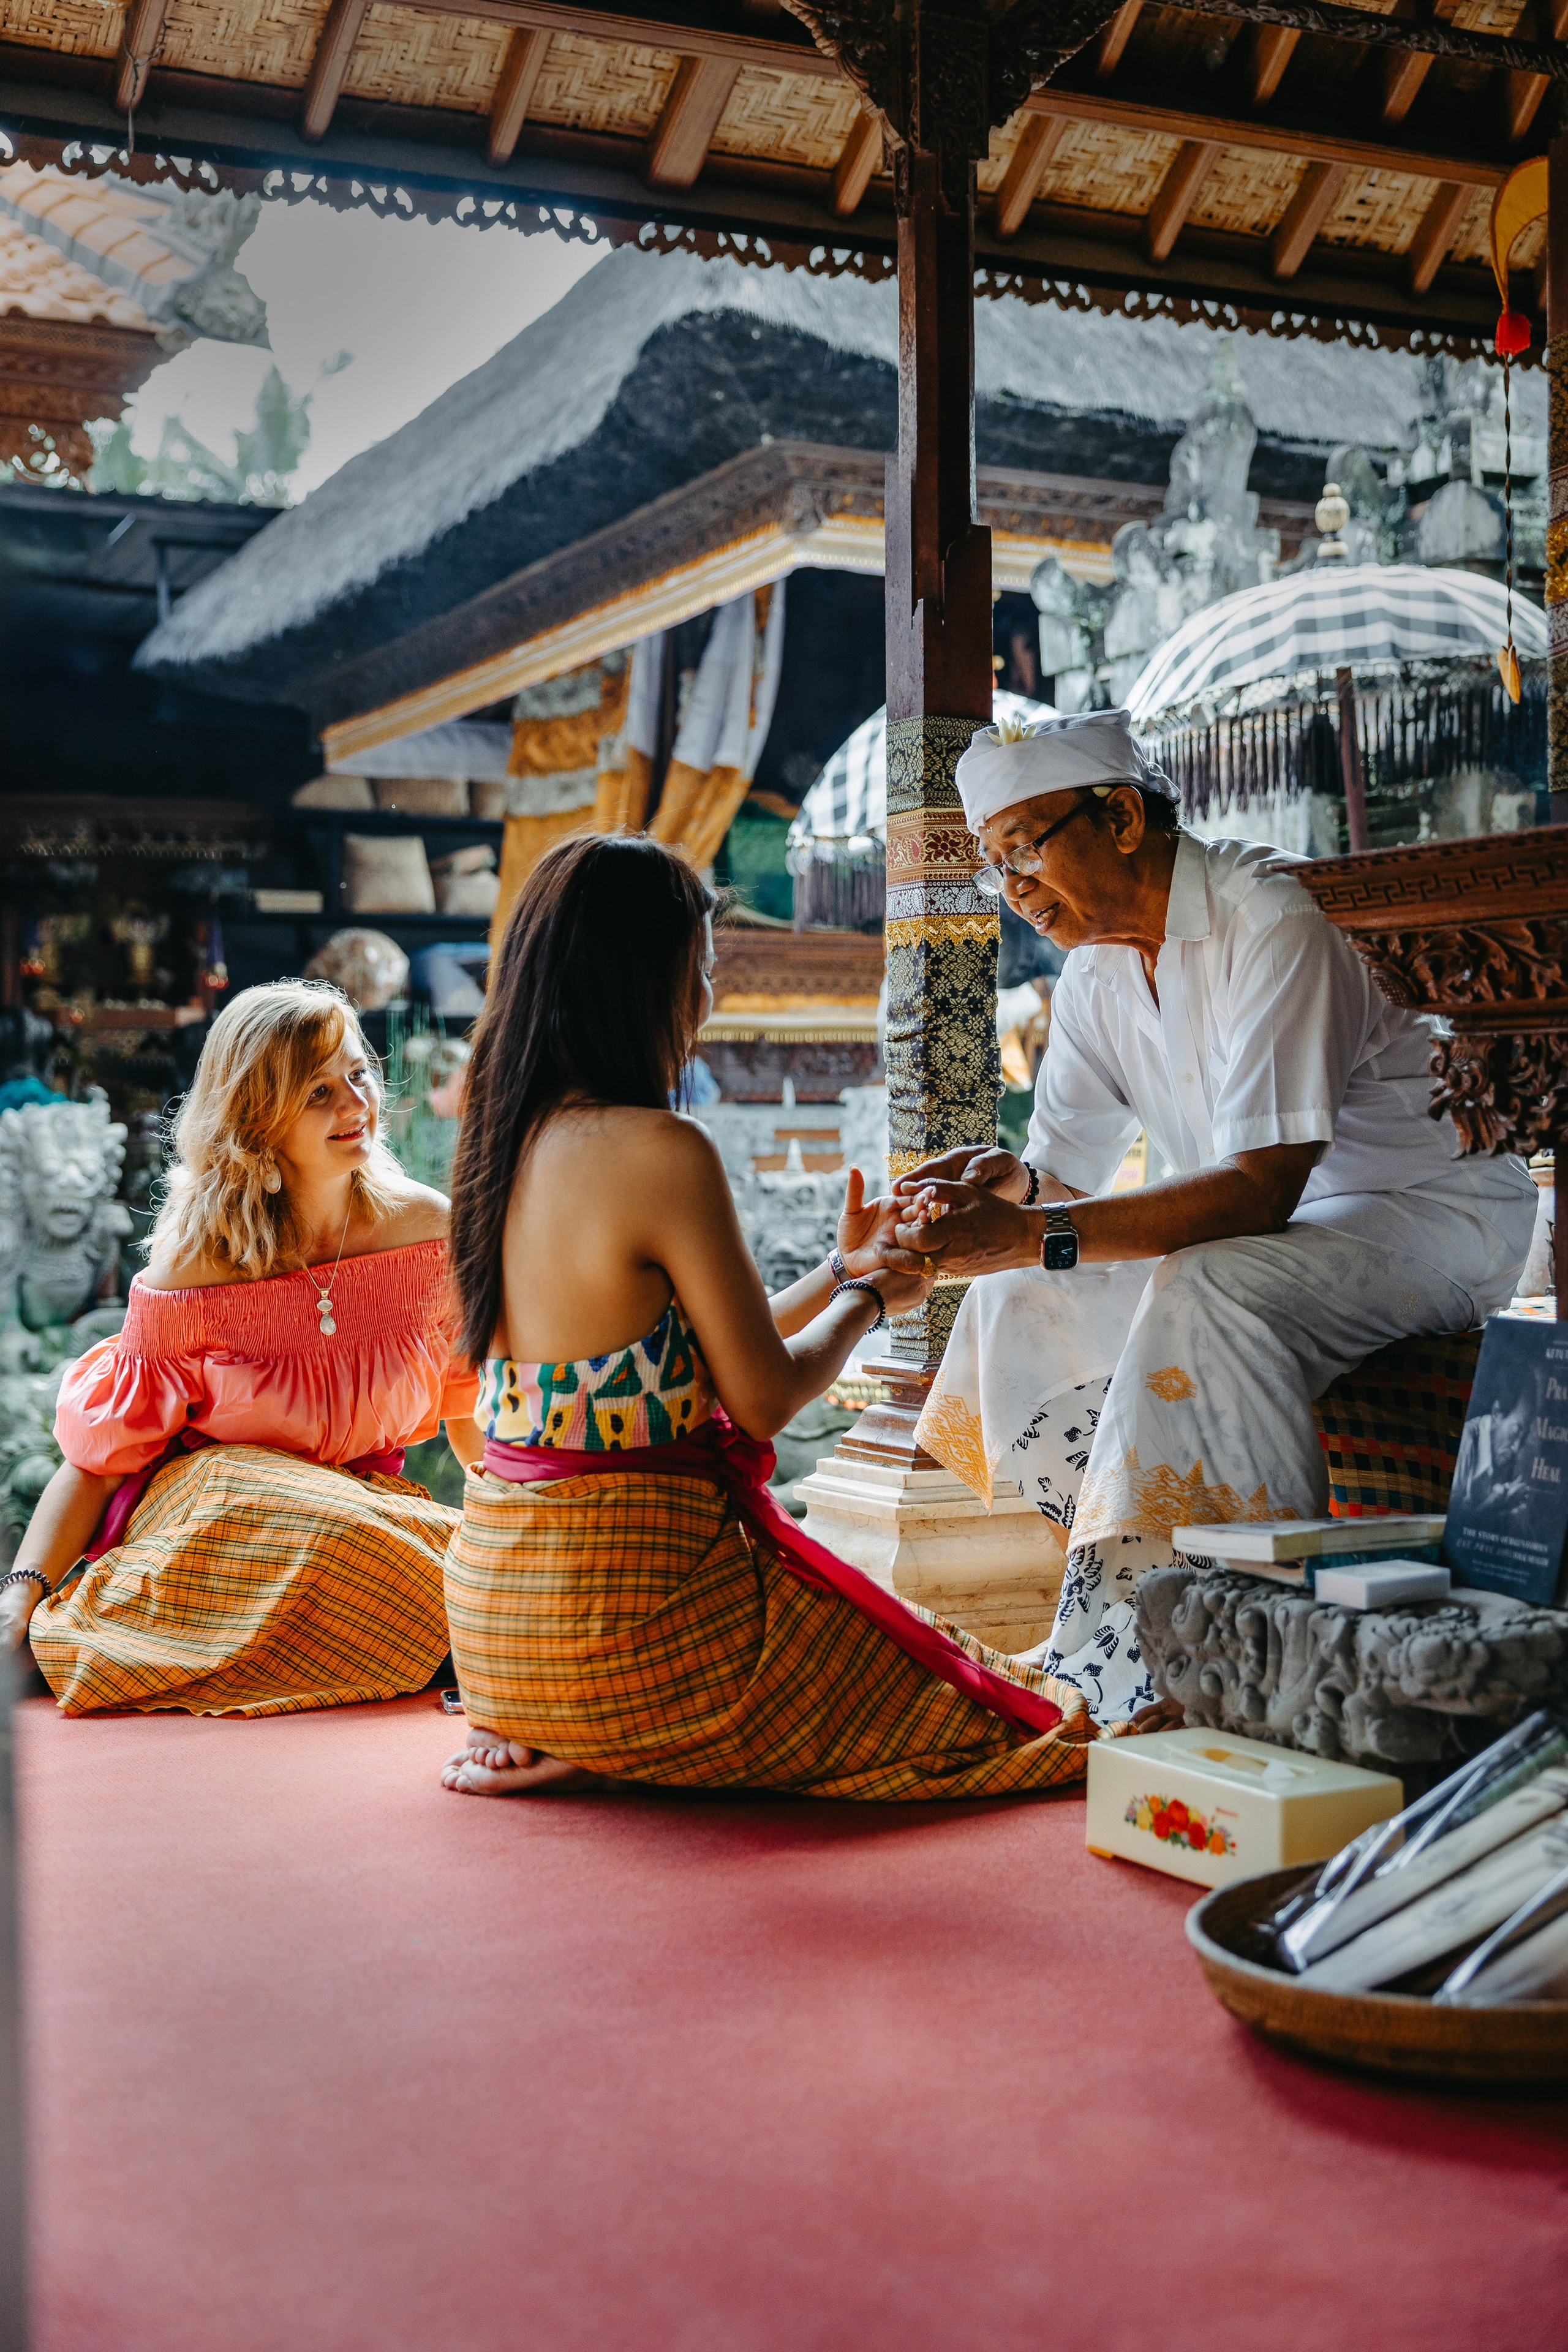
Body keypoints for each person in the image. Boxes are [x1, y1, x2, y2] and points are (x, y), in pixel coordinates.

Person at [893, 709, 1537, 1723]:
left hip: (1437, 1214)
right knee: (1019, 1287)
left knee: (1207, 1282)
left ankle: (1242, 1637)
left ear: (1119, 816)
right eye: (995, 863)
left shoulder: (1274, 915)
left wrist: (1031, 1227)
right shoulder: (1101, 970)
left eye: (1025, 848)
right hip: (1288, 1229)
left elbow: (1256, 1190)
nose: (1013, 888)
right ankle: (1126, 1624)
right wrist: (1006, 1193)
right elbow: (1062, 1180)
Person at [440, 832, 1108, 1800]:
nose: (707, 997)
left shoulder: (496, 1146)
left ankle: (593, 1736)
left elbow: (678, 1345)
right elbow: (761, 1397)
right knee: (976, 1713)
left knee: (953, 1669)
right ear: (644, 981)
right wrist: (873, 1298)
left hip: (504, 1637)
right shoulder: (663, 1149)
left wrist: (846, 1270)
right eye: (700, 969)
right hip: (635, 1623)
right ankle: (629, 1728)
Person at [3, 980, 480, 1716]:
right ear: (256, 1115)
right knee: (296, 1507)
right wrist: (21, 1593)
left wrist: (515, 1531)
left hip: (366, 1523)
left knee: (456, 1555)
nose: (356, 1105)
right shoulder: (194, 1265)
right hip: (222, 1520)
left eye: (358, 1075)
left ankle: (462, 1630)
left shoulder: (428, 1231)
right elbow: (96, 1465)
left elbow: (469, 1410)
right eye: (318, 1092)